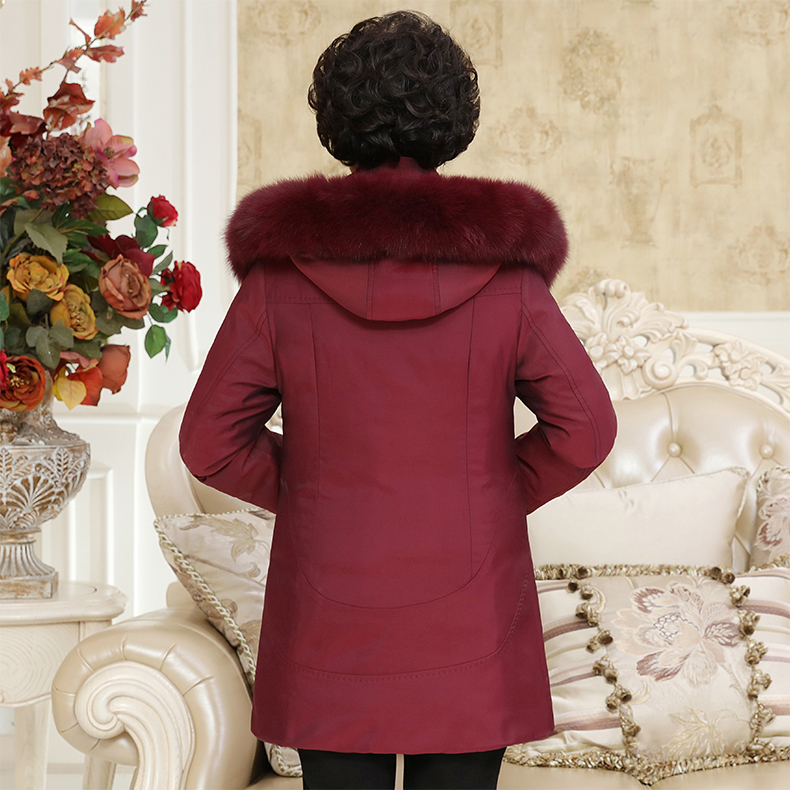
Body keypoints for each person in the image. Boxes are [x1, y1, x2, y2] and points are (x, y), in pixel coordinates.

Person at [179, 10, 617, 790]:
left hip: (330, 622)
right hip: (472, 620)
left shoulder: (279, 282)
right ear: (454, 120)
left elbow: (210, 442)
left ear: (336, 120)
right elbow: (584, 430)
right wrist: (487, 491)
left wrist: (314, 487)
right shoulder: (509, 281)